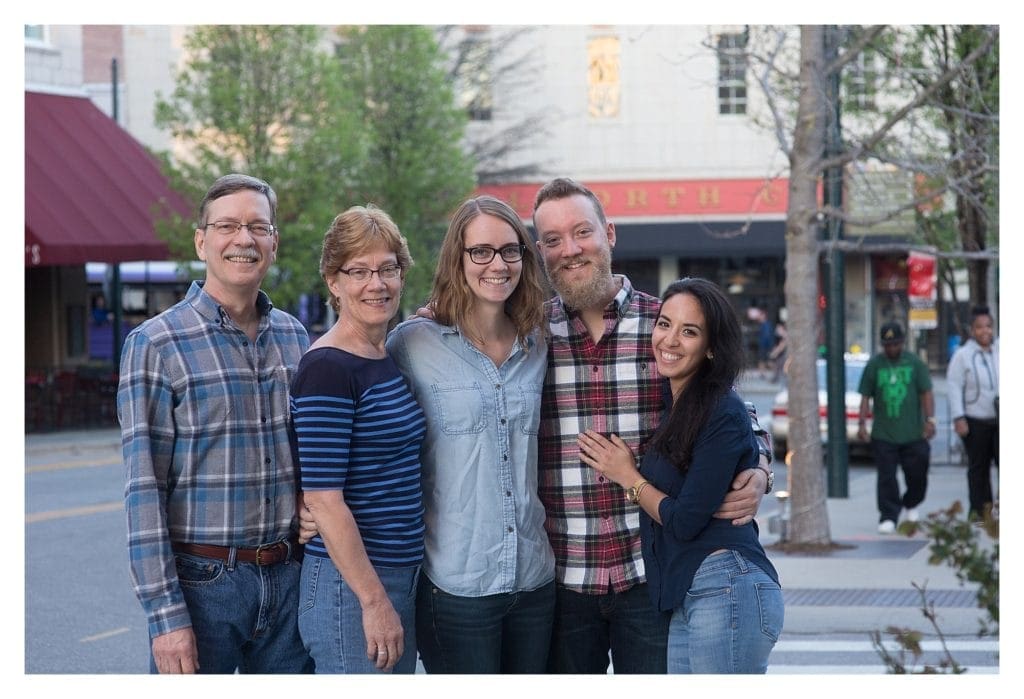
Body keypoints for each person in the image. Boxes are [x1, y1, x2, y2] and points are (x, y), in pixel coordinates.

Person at [531, 177, 772, 674]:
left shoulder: (663, 325)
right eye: (553, 240)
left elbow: (728, 408)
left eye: (582, 232)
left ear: (610, 233)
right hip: (564, 579)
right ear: (541, 251)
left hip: (653, 577)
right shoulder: (528, 336)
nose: (570, 250)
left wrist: (762, 468)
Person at [117, 173, 312, 674]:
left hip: (291, 580)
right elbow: (144, 490)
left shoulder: (296, 338)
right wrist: (166, 617)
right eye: (228, 226)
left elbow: (312, 453)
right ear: (202, 241)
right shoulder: (156, 344)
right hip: (204, 587)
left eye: (257, 226)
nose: (243, 239)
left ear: (273, 241)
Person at [578, 277, 783, 673]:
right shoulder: (677, 401)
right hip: (689, 592)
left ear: (710, 348)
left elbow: (685, 521)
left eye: (689, 332)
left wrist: (629, 478)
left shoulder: (719, 409)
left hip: (727, 586)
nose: (669, 340)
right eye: (665, 324)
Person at [386, 195, 555, 673]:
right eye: (481, 251)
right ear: (457, 261)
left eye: (510, 250)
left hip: (534, 580)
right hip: (456, 585)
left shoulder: (542, 339)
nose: (497, 264)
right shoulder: (412, 344)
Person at [289, 205, 426, 674]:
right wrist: (373, 601)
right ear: (333, 280)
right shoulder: (328, 367)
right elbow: (324, 500)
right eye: (359, 271)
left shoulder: (380, 355)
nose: (377, 283)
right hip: (351, 588)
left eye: (388, 268)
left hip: (396, 576)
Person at [857, 321, 936, 534]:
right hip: (884, 433)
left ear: (902, 342)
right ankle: (889, 515)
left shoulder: (914, 363)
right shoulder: (875, 365)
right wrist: (862, 422)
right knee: (886, 477)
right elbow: (865, 395)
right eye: (887, 345)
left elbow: (926, 392)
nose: (891, 348)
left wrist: (930, 420)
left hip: (913, 433)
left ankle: (911, 502)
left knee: (918, 473)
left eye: (895, 344)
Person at [946, 305, 999, 520]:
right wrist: (959, 417)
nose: (985, 331)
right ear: (972, 330)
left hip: (1000, 418)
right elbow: (953, 386)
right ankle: (980, 511)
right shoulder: (963, 356)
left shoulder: (1000, 351)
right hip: (975, 419)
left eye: (988, 327)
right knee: (978, 469)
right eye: (980, 327)